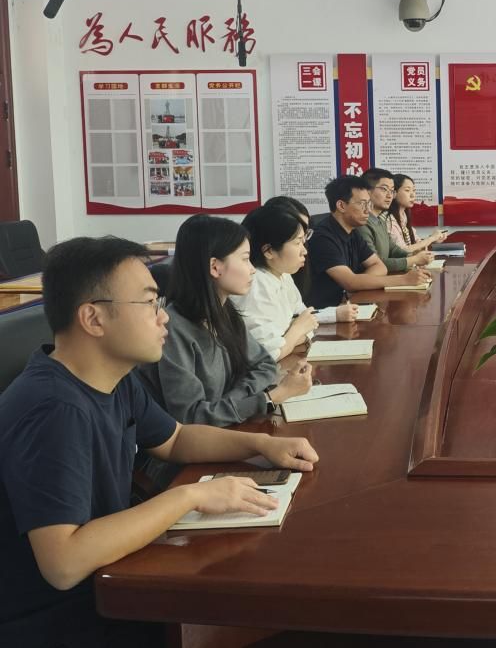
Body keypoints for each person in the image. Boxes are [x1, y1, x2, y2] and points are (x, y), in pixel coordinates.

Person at [0, 237, 319, 648]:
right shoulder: (55, 410)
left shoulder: (112, 377)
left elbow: (176, 439)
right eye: (150, 303)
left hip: (109, 580)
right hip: (61, 617)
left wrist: (261, 445)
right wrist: (189, 497)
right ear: (93, 318)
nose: (163, 317)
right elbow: (63, 563)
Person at [138, 215, 313, 426]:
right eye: (245, 259)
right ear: (215, 267)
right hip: (194, 444)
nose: (252, 269)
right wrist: (269, 398)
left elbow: (265, 364)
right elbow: (192, 417)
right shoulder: (173, 329)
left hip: (229, 428)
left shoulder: (225, 311)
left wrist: (234, 402)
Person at [232, 204, 359, 361]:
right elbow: (268, 354)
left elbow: (308, 321)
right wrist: (297, 329)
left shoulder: (282, 275)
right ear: (269, 251)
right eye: (298, 242)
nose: (304, 251)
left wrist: (293, 334)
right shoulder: (256, 284)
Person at [307, 175, 430, 310]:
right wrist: (404, 280)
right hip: (326, 313)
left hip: (350, 304)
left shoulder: (352, 231)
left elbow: (379, 266)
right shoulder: (322, 238)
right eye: (362, 204)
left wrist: (358, 283)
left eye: (368, 204)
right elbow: (350, 282)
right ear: (341, 205)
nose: (367, 210)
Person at [357, 167, 434, 273]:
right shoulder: (362, 223)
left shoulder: (379, 221)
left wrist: (413, 255)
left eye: (392, 191)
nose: (390, 196)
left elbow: (393, 250)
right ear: (367, 191)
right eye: (384, 189)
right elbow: (376, 263)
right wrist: (413, 260)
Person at [264, 195, 313, 300]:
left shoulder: (285, 273)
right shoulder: (260, 283)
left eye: (305, 232)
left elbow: (299, 307)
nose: (303, 240)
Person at [387, 174, 448, 253]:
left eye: (414, 190)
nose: (412, 195)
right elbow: (402, 251)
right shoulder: (389, 219)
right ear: (394, 193)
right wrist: (431, 238)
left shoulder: (404, 215)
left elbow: (416, 243)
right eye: (407, 190)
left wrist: (434, 239)